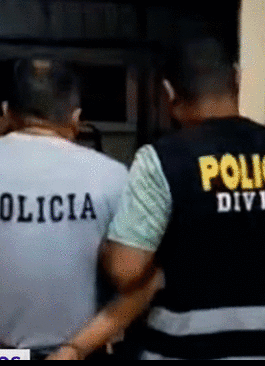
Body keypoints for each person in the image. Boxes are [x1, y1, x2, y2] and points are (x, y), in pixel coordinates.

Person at [0, 58, 129, 360]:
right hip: (83, 354)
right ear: (76, 118)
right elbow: (142, 282)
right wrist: (76, 350)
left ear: (6, 112)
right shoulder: (114, 176)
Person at [100, 37, 265, 360]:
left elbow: (125, 270)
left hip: (182, 350)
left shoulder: (161, 160)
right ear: (237, 79)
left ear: (168, 92)